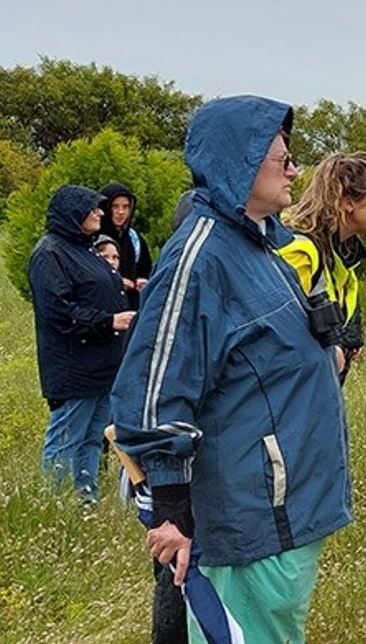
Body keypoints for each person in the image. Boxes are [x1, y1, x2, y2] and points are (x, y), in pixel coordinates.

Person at [110, 95, 351, 643]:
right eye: (280, 158)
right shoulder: (200, 259)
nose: (294, 170)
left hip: (280, 509)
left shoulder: (257, 246)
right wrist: (172, 510)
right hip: (251, 513)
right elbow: (155, 387)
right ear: (239, 163)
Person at [29, 185, 134, 504]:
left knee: (92, 438)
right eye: (93, 209)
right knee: (66, 438)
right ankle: (55, 504)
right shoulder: (49, 253)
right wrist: (108, 321)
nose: (101, 213)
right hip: (74, 366)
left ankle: (85, 501)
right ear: (72, 213)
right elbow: (57, 311)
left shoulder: (84, 248)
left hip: (102, 365)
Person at [278, 151, 366, 380]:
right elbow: (277, 337)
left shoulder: (342, 255)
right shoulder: (299, 250)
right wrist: (328, 352)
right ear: (349, 202)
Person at [98, 182, 154, 310]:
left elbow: (146, 270)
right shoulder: (93, 237)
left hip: (131, 307)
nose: (121, 212)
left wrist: (142, 283)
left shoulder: (134, 239)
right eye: (115, 206)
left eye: (126, 207)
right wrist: (116, 282)